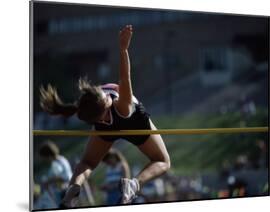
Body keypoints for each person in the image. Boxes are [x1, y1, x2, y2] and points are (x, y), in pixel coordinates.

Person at [39, 25, 171, 207]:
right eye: (107, 99)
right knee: (162, 161)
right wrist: (123, 49)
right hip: (133, 121)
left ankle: (72, 190)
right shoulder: (121, 105)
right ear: (105, 108)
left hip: (105, 127)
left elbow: (82, 110)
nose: (108, 96)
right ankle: (134, 184)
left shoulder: (86, 106)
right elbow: (125, 79)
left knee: (87, 163)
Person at [38, 141, 73, 208]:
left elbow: (64, 177)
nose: (45, 160)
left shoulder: (56, 163)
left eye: (44, 157)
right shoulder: (61, 158)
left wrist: (48, 182)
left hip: (65, 192)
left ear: (48, 155)